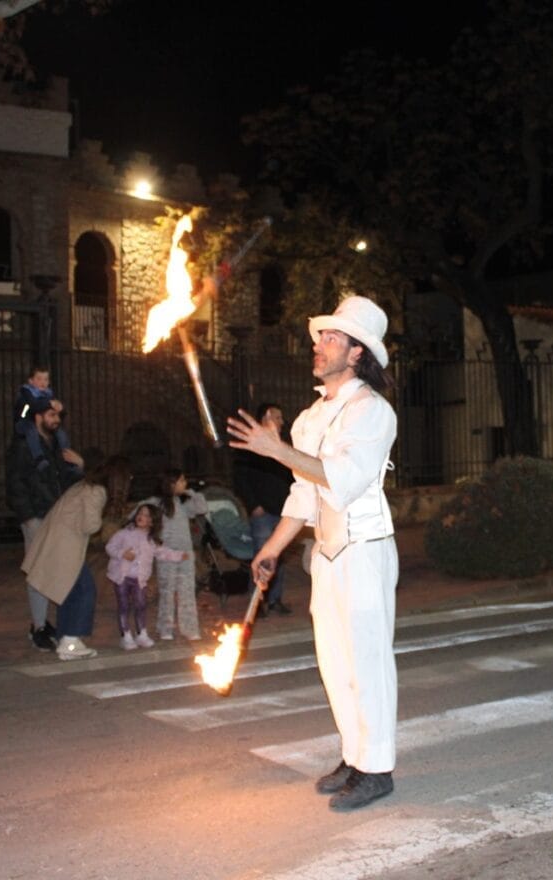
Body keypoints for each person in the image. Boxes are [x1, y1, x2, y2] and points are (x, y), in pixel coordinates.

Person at [226, 294, 399, 812]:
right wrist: (272, 551)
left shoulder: (373, 412)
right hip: (325, 555)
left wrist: (276, 450)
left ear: (357, 353)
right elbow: (303, 493)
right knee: (334, 661)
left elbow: (342, 480)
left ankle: (377, 768)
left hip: (365, 549)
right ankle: (355, 753)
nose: (319, 346)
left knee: (367, 661)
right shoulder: (309, 417)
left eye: (332, 338)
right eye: (321, 337)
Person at [22, 456, 132, 660]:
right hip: (65, 547)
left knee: (70, 591)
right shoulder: (97, 491)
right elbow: (90, 525)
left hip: (59, 544)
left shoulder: (85, 485)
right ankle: (70, 639)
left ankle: (67, 639)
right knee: (84, 590)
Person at [6, 397, 80, 651]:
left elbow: (69, 478)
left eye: (58, 416)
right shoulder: (25, 445)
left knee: (56, 570)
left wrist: (79, 465)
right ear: (38, 416)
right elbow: (15, 482)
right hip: (37, 515)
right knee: (38, 572)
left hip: (57, 514)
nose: (56, 420)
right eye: (51, 415)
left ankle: (49, 624)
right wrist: (27, 516)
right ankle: (38, 626)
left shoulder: (57, 443)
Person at [232, 402, 294, 616]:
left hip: (284, 511)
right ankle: (257, 603)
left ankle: (275, 599)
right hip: (263, 512)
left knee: (279, 557)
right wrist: (253, 505)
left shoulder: (283, 445)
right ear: (266, 418)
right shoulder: (251, 445)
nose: (282, 422)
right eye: (277, 417)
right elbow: (240, 478)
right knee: (262, 557)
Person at [135, 469, 208, 642]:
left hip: (185, 555)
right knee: (167, 592)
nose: (185, 484)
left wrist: (190, 492)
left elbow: (202, 507)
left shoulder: (183, 505)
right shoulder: (155, 503)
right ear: (171, 483)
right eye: (182, 481)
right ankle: (165, 628)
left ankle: (189, 628)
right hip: (165, 555)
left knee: (187, 592)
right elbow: (136, 515)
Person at [104, 502, 187, 650]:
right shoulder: (123, 533)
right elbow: (110, 547)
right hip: (122, 577)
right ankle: (126, 635)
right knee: (123, 605)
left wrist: (180, 555)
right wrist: (122, 554)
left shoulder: (151, 540)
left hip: (140, 580)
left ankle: (141, 633)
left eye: (146, 515)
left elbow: (163, 552)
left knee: (141, 605)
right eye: (140, 513)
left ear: (152, 521)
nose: (141, 516)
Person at [13, 365, 83, 472]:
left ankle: (66, 455)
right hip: (24, 420)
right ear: (31, 381)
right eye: (39, 379)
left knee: (61, 433)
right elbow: (33, 405)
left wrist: (60, 407)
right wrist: (50, 404)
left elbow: (52, 408)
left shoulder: (47, 394)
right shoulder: (27, 392)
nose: (43, 382)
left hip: (35, 422)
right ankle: (39, 458)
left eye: (45, 379)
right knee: (32, 432)